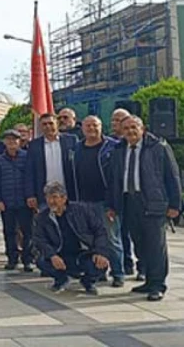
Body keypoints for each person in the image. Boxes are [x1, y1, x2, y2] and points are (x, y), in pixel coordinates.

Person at [108, 116, 181, 301]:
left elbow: (172, 177)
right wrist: (113, 205)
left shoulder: (159, 147)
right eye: (126, 128)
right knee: (139, 244)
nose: (130, 131)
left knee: (156, 246)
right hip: (129, 202)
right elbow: (114, 180)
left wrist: (175, 205)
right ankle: (148, 279)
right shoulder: (119, 150)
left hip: (153, 202)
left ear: (143, 128)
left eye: (134, 127)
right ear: (121, 131)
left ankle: (157, 285)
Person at [72, 116, 123, 287]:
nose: (91, 128)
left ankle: (118, 273)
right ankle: (99, 271)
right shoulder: (76, 148)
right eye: (88, 125)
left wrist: (113, 204)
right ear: (82, 128)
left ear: (101, 127)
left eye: (95, 125)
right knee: (91, 241)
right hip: (82, 202)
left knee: (111, 239)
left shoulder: (112, 147)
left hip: (105, 202)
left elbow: (116, 178)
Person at [34, 182, 109, 295]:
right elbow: (39, 239)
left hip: (84, 253)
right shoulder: (42, 217)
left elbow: (100, 230)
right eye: (48, 198)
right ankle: (61, 279)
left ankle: (88, 282)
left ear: (64, 198)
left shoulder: (82, 210)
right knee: (41, 260)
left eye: (54, 197)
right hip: (60, 254)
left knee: (101, 263)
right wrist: (52, 255)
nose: (51, 201)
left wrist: (100, 251)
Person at [0, 130, 35, 272]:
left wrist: (31, 196)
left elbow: (31, 178)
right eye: (8, 140)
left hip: (24, 201)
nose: (11, 143)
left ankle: (27, 259)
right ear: (4, 142)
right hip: (7, 203)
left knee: (28, 232)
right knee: (9, 232)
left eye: (14, 140)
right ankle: (12, 258)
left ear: (19, 141)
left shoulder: (27, 157)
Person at [109, 107, 142, 280]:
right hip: (122, 198)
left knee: (140, 236)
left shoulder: (148, 146)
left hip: (142, 199)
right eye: (115, 120)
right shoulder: (116, 147)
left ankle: (143, 268)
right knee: (121, 234)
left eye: (122, 120)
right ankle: (125, 264)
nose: (119, 124)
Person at [26, 113, 77, 207]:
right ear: (40, 127)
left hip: (67, 194)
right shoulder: (34, 145)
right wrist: (30, 194)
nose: (48, 126)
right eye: (44, 124)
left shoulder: (71, 140)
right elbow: (29, 171)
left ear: (57, 124)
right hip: (44, 196)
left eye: (50, 123)